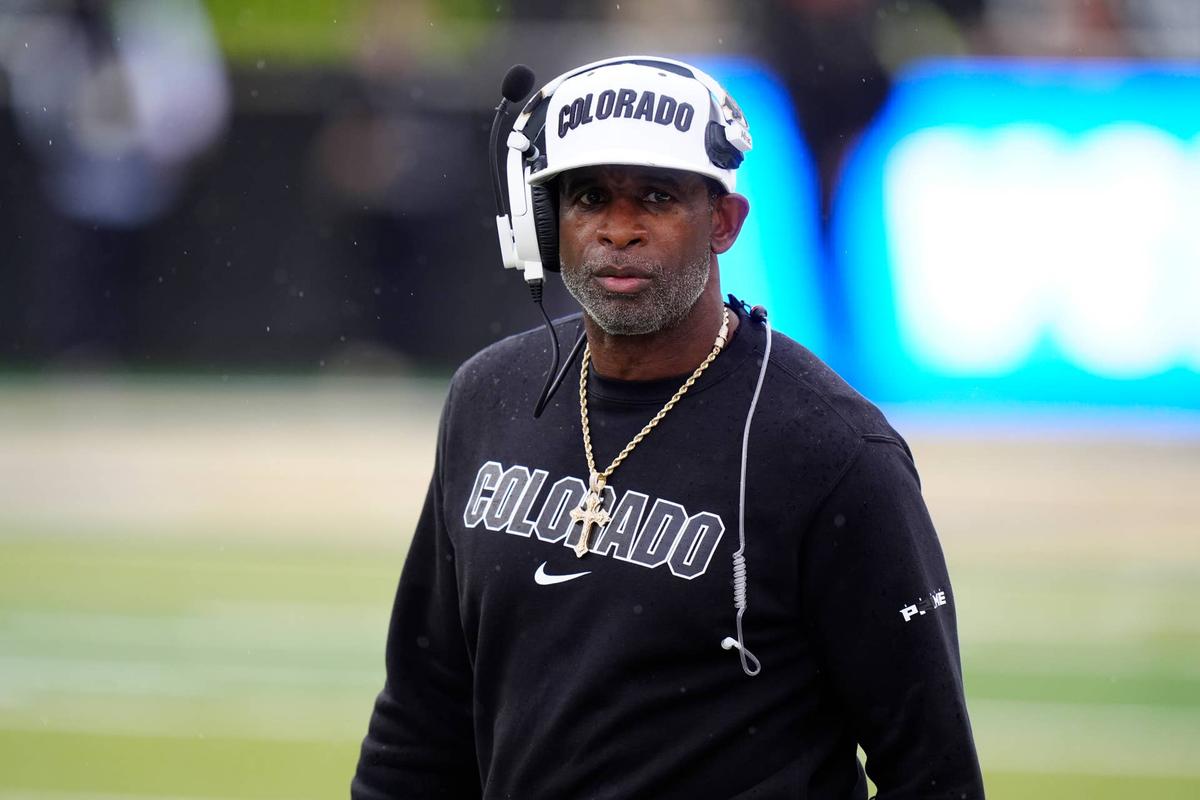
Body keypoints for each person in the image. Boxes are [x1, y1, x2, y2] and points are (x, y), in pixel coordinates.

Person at [352, 56, 984, 799]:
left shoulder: (834, 450)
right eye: (589, 197)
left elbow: (932, 770)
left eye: (655, 196)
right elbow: (421, 720)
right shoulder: (486, 399)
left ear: (723, 221)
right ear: (544, 225)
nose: (619, 230)